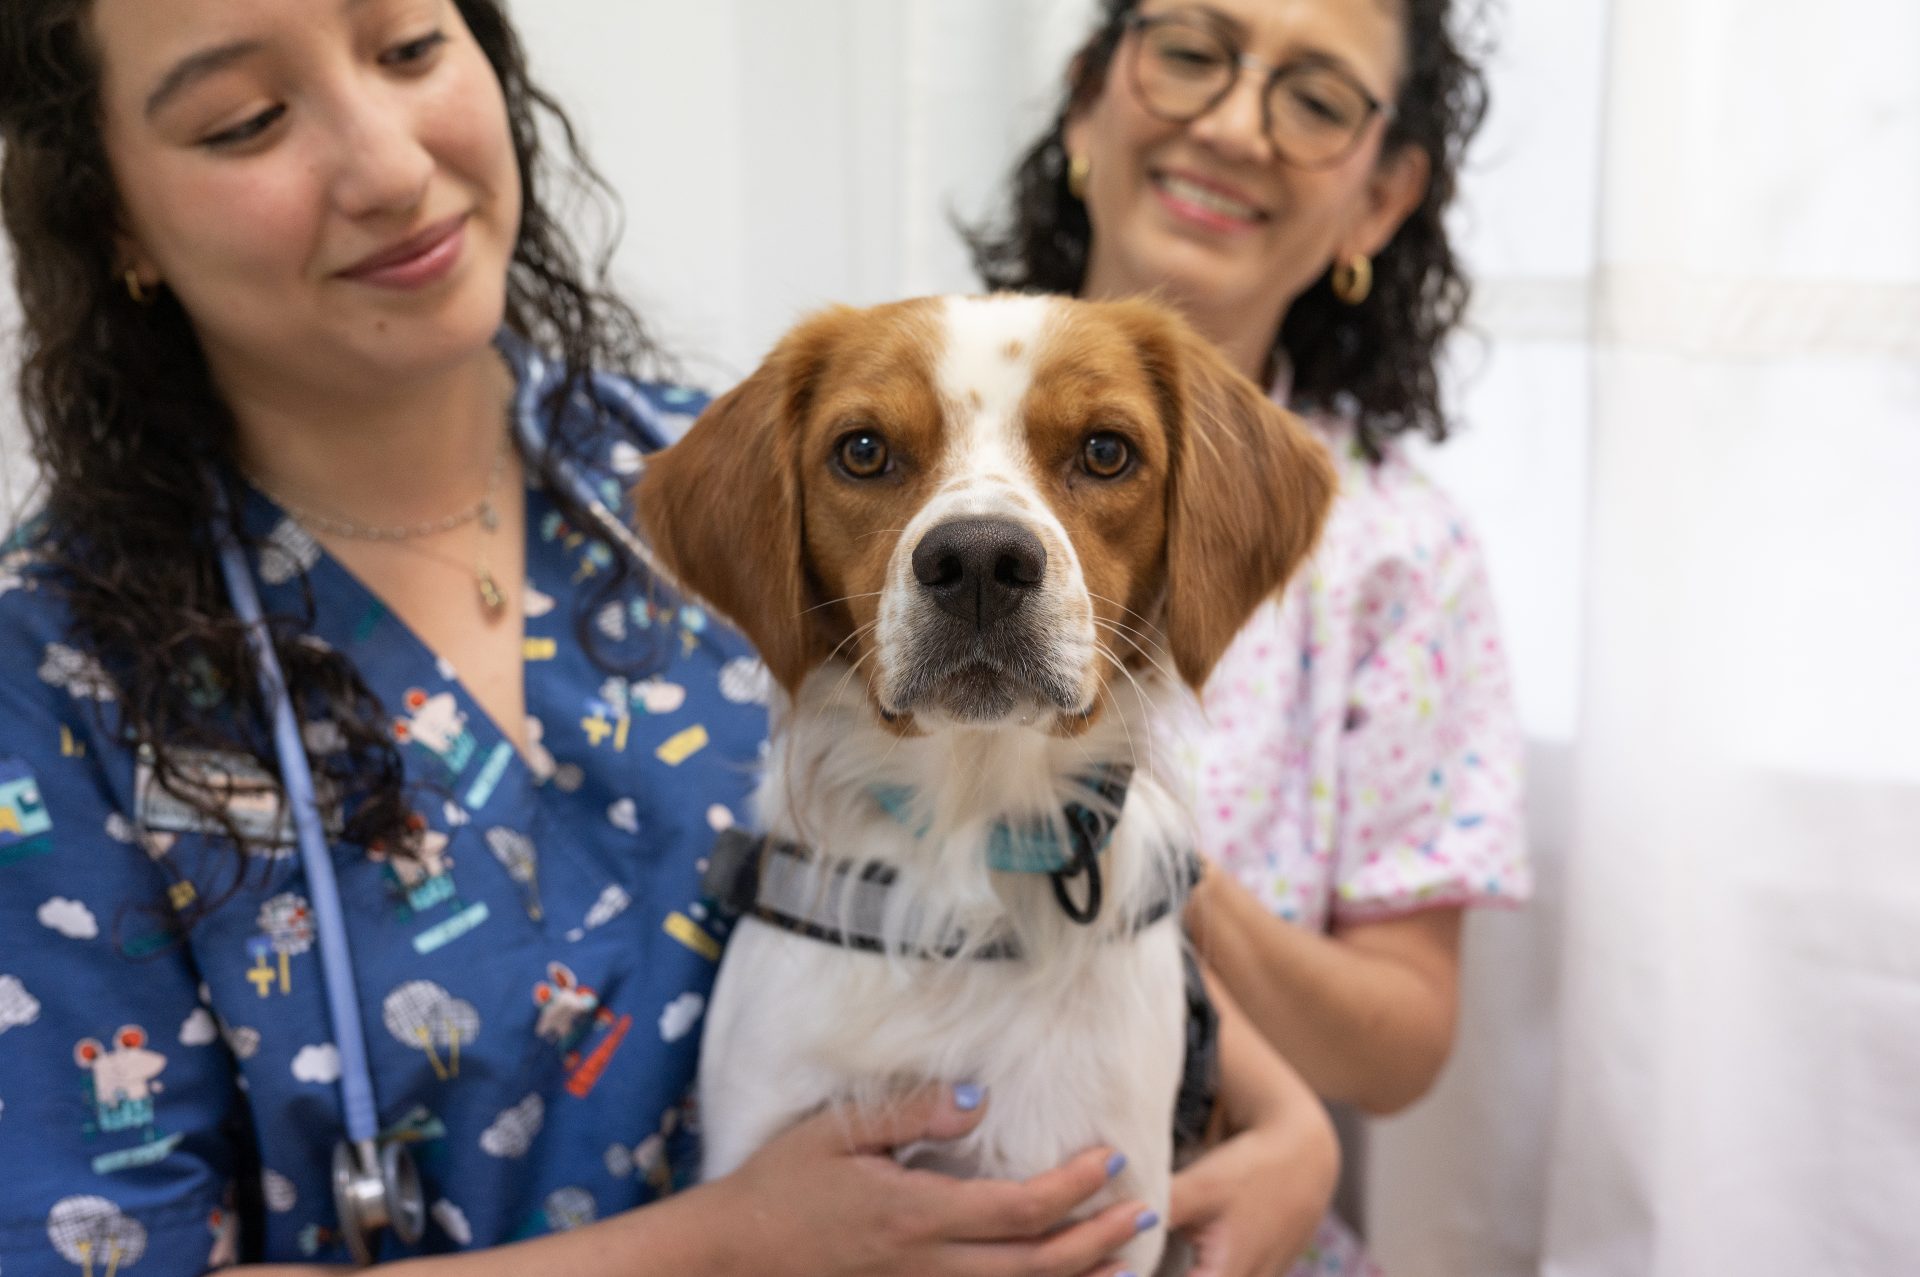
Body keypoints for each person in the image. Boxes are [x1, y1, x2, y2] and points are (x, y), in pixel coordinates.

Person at [0, 1, 1334, 1273]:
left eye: (410, 45)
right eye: (244, 119)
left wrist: (1286, 1128)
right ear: (107, 211)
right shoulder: (58, 681)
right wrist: (727, 1254)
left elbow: (1058, 854)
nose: (390, 166)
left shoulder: (737, 468)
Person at [970, 1, 1530, 1272]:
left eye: (1317, 98)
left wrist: (1137, 850)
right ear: (1086, 98)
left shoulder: (1395, 550)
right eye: (1188, 52)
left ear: (1380, 202)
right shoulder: (894, 438)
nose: (1232, 125)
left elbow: (1398, 1041)